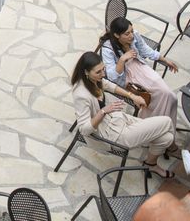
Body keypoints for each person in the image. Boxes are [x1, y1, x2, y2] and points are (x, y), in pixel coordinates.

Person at [70, 51, 175, 179]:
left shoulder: (94, 79)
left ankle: (150, 164)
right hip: (111, 135)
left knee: (167, 138)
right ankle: (177, 151)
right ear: (86, 72)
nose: (103, 74)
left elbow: (110, 86)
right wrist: (103, 111)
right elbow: (84, 129)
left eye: (103, 69)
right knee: (167, 121)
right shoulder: (81, 94)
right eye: (98, 72)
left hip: (118, 120)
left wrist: (133, 96)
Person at [100, 16, 180, 154]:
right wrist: (122, 60)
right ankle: (163, 136)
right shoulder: (108, 49)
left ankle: (161, 131)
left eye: (132, 31)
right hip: (127, 78)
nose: (131, 35)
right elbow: (112, 76)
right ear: (117, 35)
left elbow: (146, 51)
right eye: (127, 33)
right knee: (159, 97)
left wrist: (165, 59)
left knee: (171, 97)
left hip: (141, 68)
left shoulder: (135, 37)